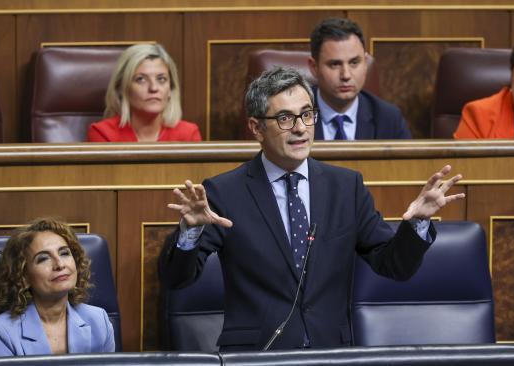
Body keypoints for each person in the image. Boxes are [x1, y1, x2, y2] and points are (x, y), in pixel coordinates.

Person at [159, 67, 463, 351]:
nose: (300, 129)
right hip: (257, 356)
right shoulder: (225, 192)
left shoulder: (346, 187)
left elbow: (394, 266)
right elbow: (176, 279)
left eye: (307, 114)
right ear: (256, 127)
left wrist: (418, 224)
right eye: (285, 119)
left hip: (330, 353)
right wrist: (190, 232)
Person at [0, 218, 115, 357]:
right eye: (43, 258)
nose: (59, 264)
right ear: (24, 276)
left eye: (64, 253)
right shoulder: (0, 332)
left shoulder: (99, 321)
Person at [307, 18, 411, 140]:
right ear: (314, 67)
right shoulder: (294, 116)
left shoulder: (388, 119)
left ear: (365, 63)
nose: (346, 75)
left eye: (354, 62)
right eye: (335, 64)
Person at [87, 43, 202, 142]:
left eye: (161, 79)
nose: (153, 88)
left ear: (170, 90)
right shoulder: (103, 134)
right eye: (141, 79)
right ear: (122, 89)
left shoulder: (188, 135)